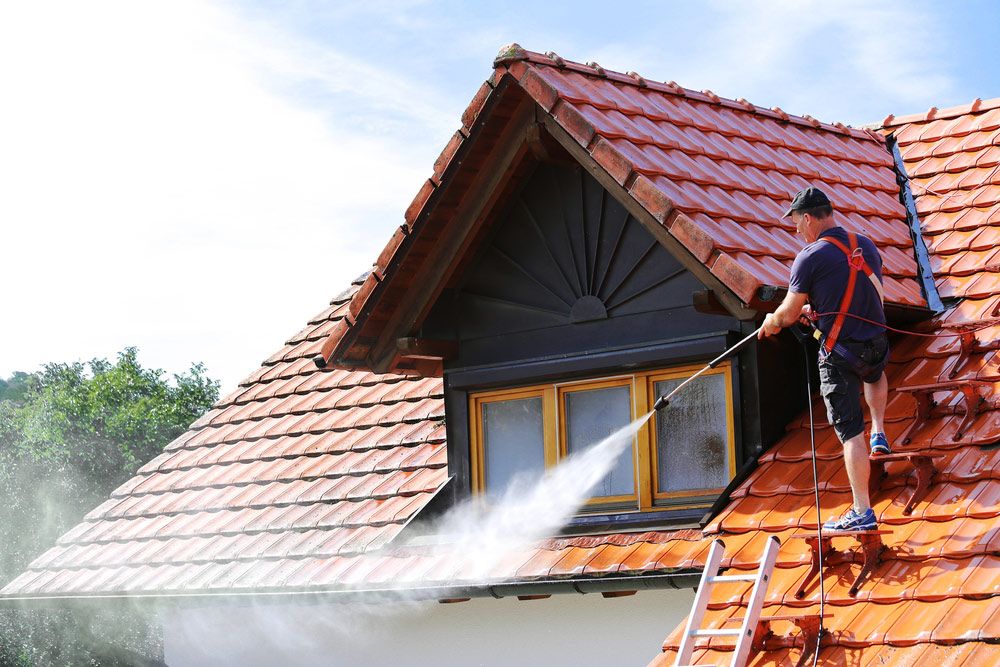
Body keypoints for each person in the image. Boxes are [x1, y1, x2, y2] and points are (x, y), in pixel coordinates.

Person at [758, 187, 890, 531]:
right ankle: (880, 431)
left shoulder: (809, 256)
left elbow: (786, 313)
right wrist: (817, 309)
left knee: (849, 432)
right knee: (875, 376)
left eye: (797, 224)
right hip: (876, 344)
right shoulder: (867, 244)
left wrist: (772, 321)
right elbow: (857, 287)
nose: (797, 231)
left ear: (807, 218)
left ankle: (862, 511)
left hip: (840, 353)